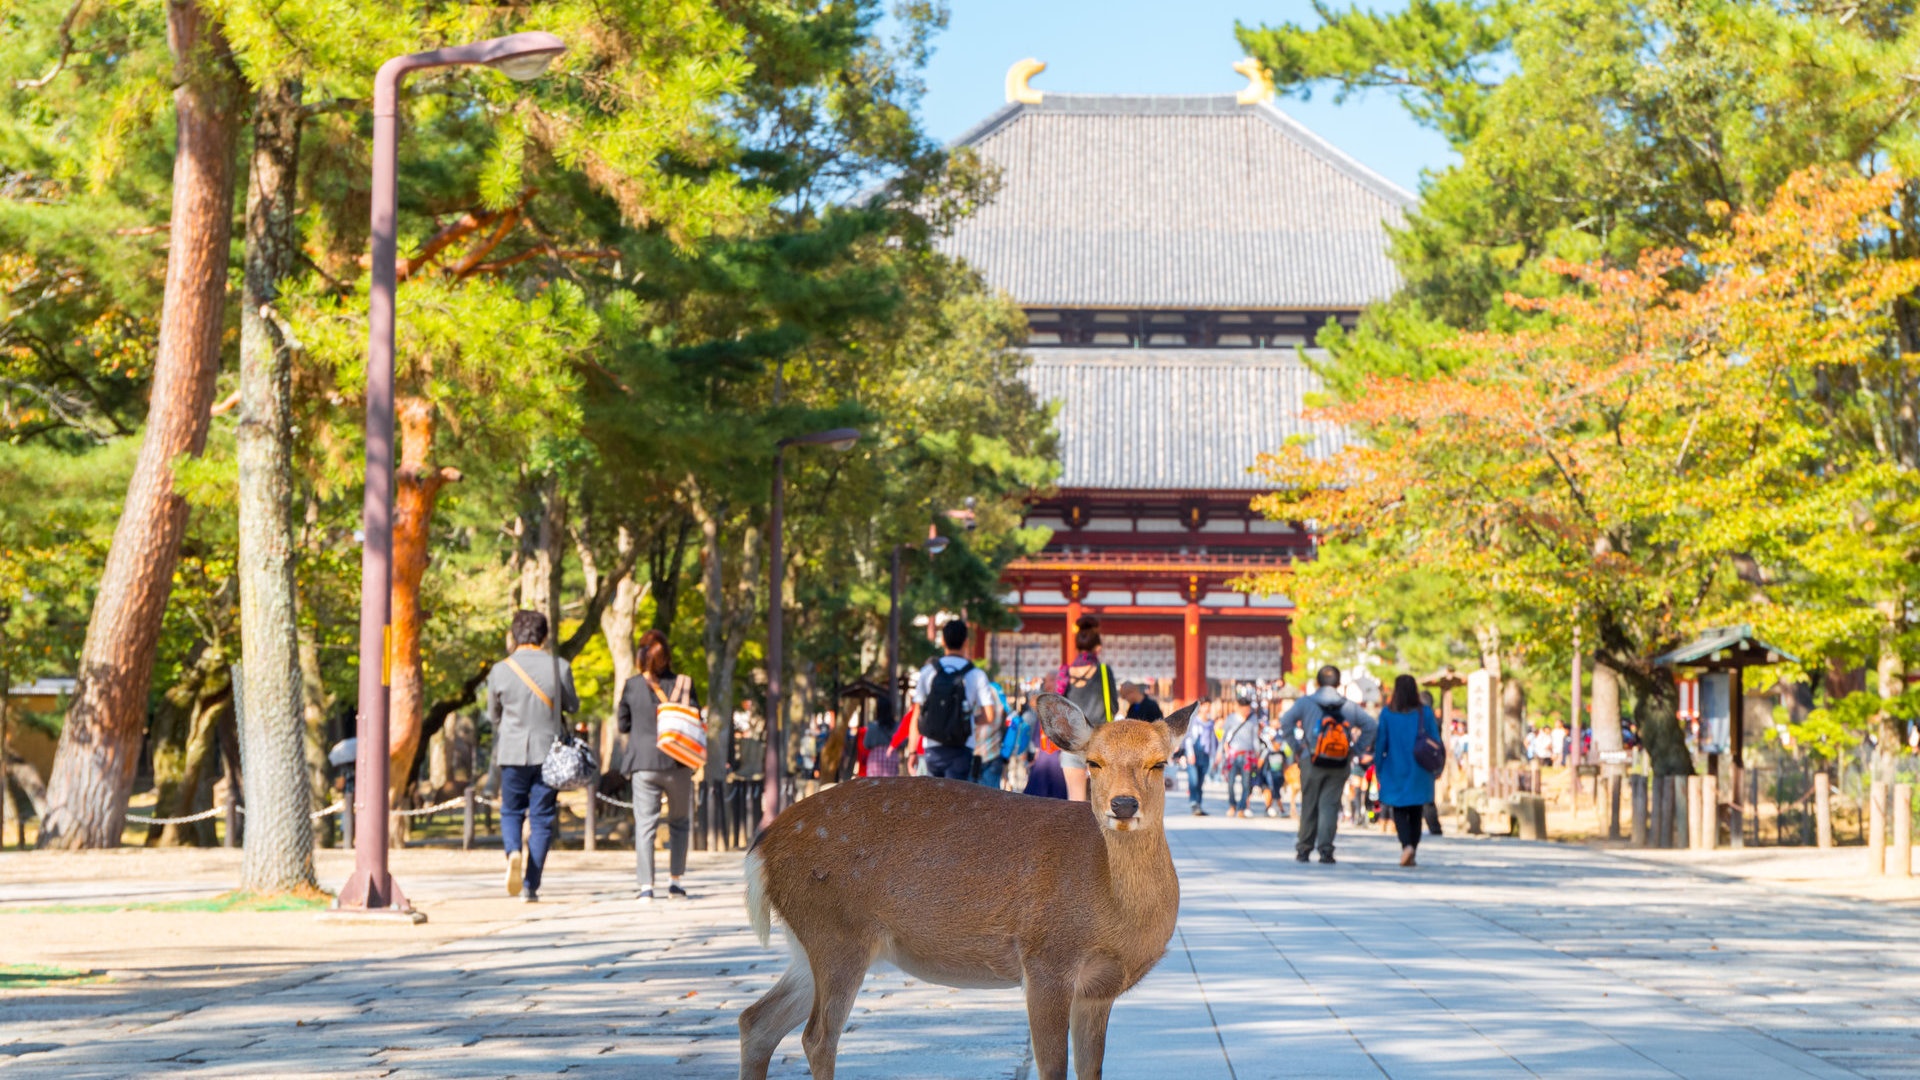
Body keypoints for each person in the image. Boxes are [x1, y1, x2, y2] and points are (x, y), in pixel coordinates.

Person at [486, 610, 578, 903]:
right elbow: (573, 705)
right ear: (545, 635)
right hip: (548, 752)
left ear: (514, 635)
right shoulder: (559, 667)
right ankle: (530, 885)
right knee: (542, 819)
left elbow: (493, 715)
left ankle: (513, 851)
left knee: (511, 810)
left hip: (512, 750)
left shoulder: (500, 670)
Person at [617, 629, 699, 902]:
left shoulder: (631, 685)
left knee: (645, 825)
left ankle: (646, 887)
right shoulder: (685, 684)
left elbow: (622, 724)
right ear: (667, 656)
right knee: (679, 823)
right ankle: (675, 882)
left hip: (643, 763)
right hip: (678, 763)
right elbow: (696, 721)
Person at [1278, 665, 1377, 864]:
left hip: (1311, 758)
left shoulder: (1305, 703)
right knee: (1330, 805)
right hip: (1340, 761)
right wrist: (1355, 750)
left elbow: (1286, 721)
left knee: (1309, 803)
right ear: (1338, 683)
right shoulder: (1349, 706)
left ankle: (1304, 848)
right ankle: (1325, 849)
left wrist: (1297, 747)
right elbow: (1371, 726)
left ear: (1317, 682)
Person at [911, 619, 998, 781]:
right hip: (962, 747)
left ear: (942, 640)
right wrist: (969, 719)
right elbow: (990, 715)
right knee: (956, 801)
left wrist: (911, 751)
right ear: (966, 642)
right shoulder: (976, 674)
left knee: (933, 799)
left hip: (932, 746)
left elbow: (917, 713)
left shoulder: (928, 672)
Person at [1375, 674, 1442, 867]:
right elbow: (1435, 740)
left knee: (1399, 809)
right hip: (1420, 768)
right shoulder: (1425, 713)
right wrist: (1437, 766)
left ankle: (1406, 846)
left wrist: (1378, 766)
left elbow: (1381, 743)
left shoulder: (1387, 713)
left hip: (1395, 767)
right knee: (1416, 810)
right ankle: (1412, 846)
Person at [1055, 615, 1119, 802]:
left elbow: (1059, 706)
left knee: (1075, 800)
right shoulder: (1104, 672)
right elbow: (1113, 706)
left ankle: (1075, 832)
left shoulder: (1064, 672)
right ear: (1097, 648)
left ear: (1076, 646)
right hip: (1099, 741)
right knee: (1100, 800)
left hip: (1072, 742)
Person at [1220, 690, 1262, 818]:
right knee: (1231, 782)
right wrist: (1221, 754)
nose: (1246, 711)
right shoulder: (1231, 718)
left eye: (1248, 708)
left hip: (1248, 755)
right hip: (1233, 754)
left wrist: (1258, 754)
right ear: (1238, 707)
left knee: (1246, 783)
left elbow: (1255, 738)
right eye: (1244, 708)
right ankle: (1232, 805)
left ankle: (1242, 808)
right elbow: (1224, 738)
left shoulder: (1253, 719)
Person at [1173, 702, 1220, 816]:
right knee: (1193, 780)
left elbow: (1213, 741)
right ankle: (1194, 803)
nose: (1207, 708)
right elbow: (1188, 738)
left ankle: (1198, 804)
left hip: (1205, 755)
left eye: (1209, 706)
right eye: (1205, 706)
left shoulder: (1210, 723)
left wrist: (1215, 756)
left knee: (1200, 781)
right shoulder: (1193, 722)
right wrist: (1190, 753)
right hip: (1193, 754)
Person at [975, 680, 1011, 789]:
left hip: (973, 753)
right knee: (991, 799)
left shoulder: (971, 691)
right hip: (993, 751)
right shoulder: (997, 691)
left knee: (969, 798)